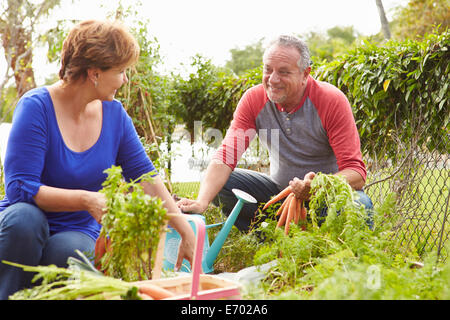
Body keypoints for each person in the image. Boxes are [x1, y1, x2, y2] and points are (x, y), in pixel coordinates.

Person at [0, 20, 195, 300]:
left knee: (70, 253)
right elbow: (20, 188)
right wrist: (86, 199)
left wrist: (184, 228)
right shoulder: (36, 107)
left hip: (77, 228)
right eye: (120, 71)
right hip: (27, 217)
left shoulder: (114, 115)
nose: (125, 80)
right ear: (94, 73)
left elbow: (145, 177)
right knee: (24, 221)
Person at [177, 35, 373, 231]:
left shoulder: (331, 100)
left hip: (325, 198)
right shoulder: (253, 99)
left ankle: (336, 255)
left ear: (305, 74)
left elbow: (356, 173)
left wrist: (317, 186)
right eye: (268, 69)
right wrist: (201, 202)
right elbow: (226, 155)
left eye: (284, 72)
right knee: (222, 183)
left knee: (360, 205)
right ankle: (272, 243)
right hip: (278, 195)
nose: (273, 79)